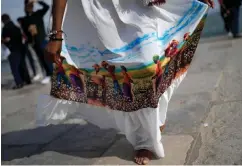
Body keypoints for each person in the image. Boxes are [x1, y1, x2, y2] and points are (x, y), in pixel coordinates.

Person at [41, 0, 214, 165]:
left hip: (135, 6)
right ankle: (145, 141)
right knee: (125, 76)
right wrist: (56, 34)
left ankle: (153, 122)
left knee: (150, 66)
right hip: (97, 15)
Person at [22, 0, 53, 84]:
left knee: (47, 58)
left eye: (31, 5)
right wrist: (29, 33)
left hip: (42, 40)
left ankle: (52, 74)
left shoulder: (38, 13)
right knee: (41, 59)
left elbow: (47, 7)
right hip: (34, 43)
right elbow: (25, 32)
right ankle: (48, 74)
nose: (30, 6)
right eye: (28, 5)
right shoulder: (25, 19)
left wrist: (37, 1)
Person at [2, 14, 31, 89]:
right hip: (21, 49)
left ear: (3, 20)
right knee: (22, 65)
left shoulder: (5, 28)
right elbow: (23, 37)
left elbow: (6, 40)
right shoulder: (17, 27)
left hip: (13, 50)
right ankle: (27, 80)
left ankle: (19, 83)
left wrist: (2, 40)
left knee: (14, 68)